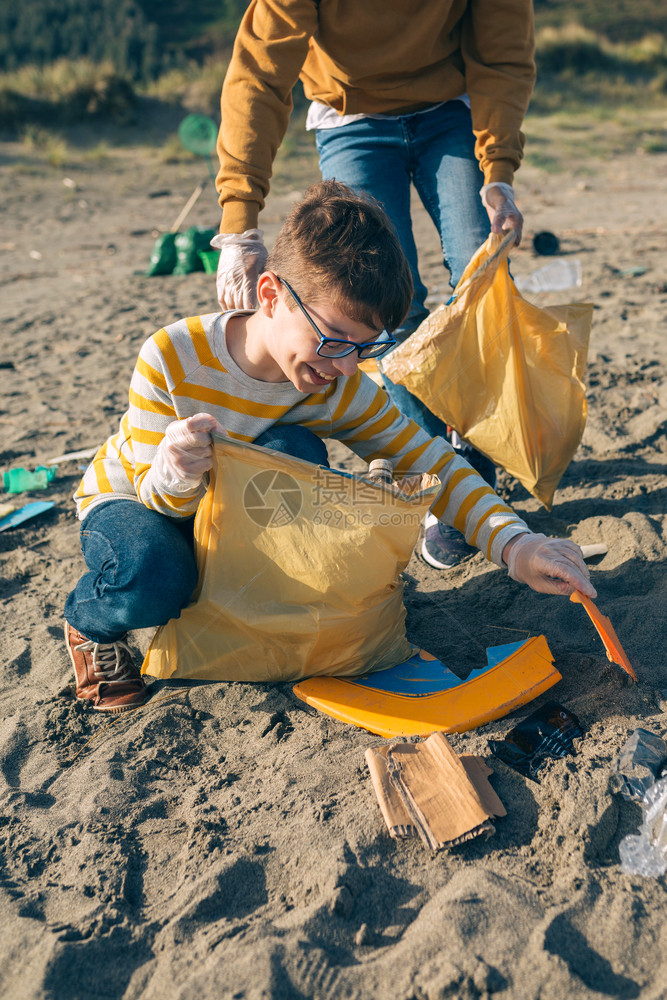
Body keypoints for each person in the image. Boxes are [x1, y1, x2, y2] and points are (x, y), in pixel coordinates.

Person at [64, 182, 594, 714]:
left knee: (293, 450)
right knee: (156, 575)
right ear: (270, 296)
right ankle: (89, 625)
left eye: (368, 348)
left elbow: (431, 461)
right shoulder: (173, 356)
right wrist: (177, 474)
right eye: (335, 339)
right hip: (140, 502)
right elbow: (158, 504)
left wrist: (516, 546)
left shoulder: (339, 382)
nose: (346, 366)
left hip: (231, 522)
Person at [212, 0, 537, 571]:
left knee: (482, 278)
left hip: (452, 108)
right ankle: (432, 480)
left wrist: (498, 170)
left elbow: (503, 52)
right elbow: (259, 75)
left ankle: (475, 452)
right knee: (388, 309)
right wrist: (239, 221)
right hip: (350, 117)